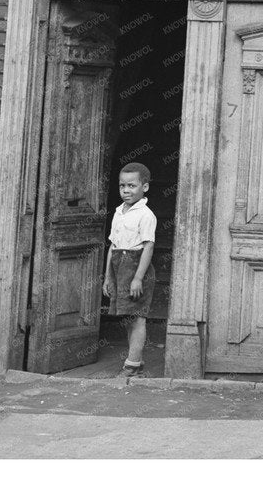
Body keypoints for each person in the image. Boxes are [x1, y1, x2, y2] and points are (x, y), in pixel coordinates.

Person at [102, 162, 156, 378]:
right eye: (122, 186)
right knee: (127, 317)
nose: (126, 190)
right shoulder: (118, 212)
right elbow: (113, 246)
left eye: (132, 186)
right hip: (118, 267)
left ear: (144, 187)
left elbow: (148, 246)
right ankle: (137, 361)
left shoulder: (146, 215)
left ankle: (131, 365)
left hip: (136, 268)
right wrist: (108, 276)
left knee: (138, 317)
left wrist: (137, 278)